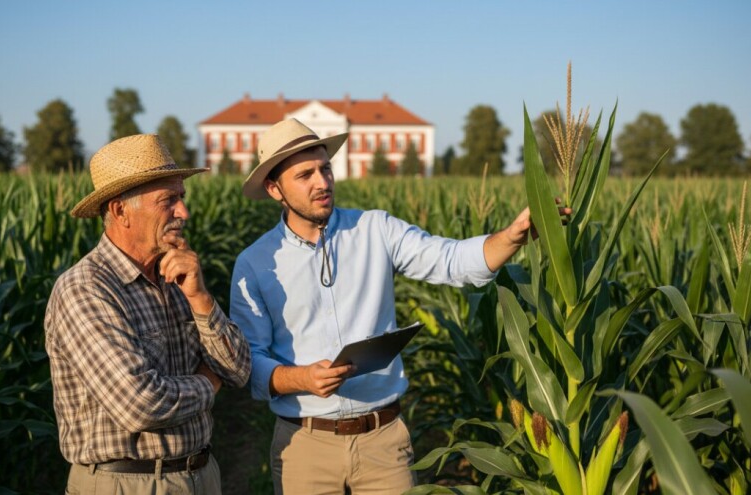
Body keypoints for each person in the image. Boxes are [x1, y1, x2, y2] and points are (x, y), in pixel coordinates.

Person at [229, 118, 567, 494]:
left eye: (325, 168)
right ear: (275, 189)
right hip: (305, 446)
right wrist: (302, 378)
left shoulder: (376, 229)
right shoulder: (254, 263)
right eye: (305, 175)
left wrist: (512, 237)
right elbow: (249, 361)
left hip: (384, 443)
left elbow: (451, 260)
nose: (322, 183)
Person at [45, 134, 250, 494]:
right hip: (127, 483)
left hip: (201, 473)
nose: (183, 212)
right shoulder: (86, 289)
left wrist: (200, 296)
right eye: (168, 201)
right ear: (120, 210)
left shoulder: (177, 274)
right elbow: (141, 404)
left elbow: (238, 368)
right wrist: (209, 383)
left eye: (181, 199)